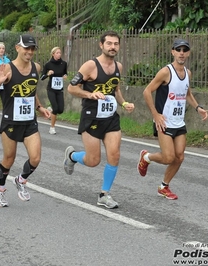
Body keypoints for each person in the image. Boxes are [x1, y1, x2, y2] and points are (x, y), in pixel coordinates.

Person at [63, 31, 135, 209]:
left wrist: (124, 103)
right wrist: (90, 94)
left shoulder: (118, 66)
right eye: (109, 43)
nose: (112, 47)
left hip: (110, 118)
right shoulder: (90, 66)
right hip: (91, 117)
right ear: (101, 45)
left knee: (115, 155)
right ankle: (72, 156)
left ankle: (104, 194)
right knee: (93, 160)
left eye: (116, 44)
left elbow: (115, 89)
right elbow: (72, 88)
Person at [137, 39, 208, 200]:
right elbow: (147, 92)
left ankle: (163, 186)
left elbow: (187, 93)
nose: (182, 53)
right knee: (168, 157)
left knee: (180, 157)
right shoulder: (165, 72)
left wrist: (198, 108)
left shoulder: (187, 73)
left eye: (185, 50)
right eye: (178, 49)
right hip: (164, 121)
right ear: (173, 52)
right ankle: (146, 157)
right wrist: (155, 115)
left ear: (188, 53)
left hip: (179, 122)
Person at [0, 34, 51, 207]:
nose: (29, 52)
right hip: (10, 121)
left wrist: (39, 107)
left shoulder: (36, 67)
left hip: (30, 121)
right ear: (17, 48)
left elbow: (31, 90)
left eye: (32, 49)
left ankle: (21, 180)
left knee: (35, 158)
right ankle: (0, 189)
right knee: (9, 159)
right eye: (26, 48)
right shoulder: (6, 68)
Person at [40, 47, 68, 134]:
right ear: (53, 54)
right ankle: (52, 128)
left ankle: (50, 109)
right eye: (57, 53)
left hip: (59, 89)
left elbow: (65, 72)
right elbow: (42, 77)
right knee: (56, 109)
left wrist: (65, 75)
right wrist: (48, 74)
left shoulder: (64, 63)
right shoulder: (48, 64)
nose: (59, 54)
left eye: (60, 53)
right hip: (51, 89)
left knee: (61, 110)